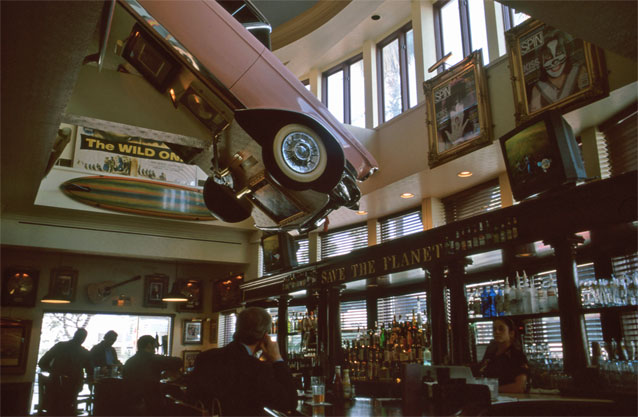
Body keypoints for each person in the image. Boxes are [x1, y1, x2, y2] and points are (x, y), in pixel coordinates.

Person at [189, 307, 297, 416]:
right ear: (265, 336)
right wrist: (277, 359)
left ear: (237, 328)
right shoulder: (257, 369)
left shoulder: (205, 357)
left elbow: (192, 399)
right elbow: (289, 403)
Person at [528, 29, 589, 112]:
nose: (555, 61)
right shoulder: (538, 88)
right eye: (548, 57)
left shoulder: (578, 71)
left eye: (559, 53)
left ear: (566, 53)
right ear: (541, 61)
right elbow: (536, 115)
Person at [121, 335, 182, 416]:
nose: (155, 350)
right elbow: (178, 361)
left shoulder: (129, 362)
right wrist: (170, 370)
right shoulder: (153, 358)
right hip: (150, 403)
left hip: (130, 402)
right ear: (149, 345)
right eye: (155, 347)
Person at [38, 328, 91, 416]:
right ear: (84, 339)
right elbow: (90, 370)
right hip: (72, 392)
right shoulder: (84, 353)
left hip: (54, 390)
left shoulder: (60, 346)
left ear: (74, 335)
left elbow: (42, 363)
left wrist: (55, 372)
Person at [477, 317, 529, 393]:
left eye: (501, 329)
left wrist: (492, 390)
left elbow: (519, 387)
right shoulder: (490, 354)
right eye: (494, 329)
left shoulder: (517, 355)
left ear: (511, 333)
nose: (497, 332)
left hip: (510, 398)